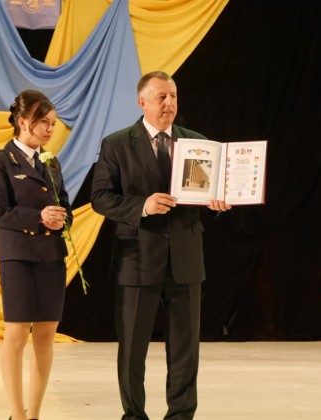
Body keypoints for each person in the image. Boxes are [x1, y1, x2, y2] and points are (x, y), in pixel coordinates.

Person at [91, 71, 231, 420]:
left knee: (185, 348)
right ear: (142, 102)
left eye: (173, 96)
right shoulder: (117, 144)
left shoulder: (197, 143)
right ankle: (133, 415)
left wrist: (217, 203)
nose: (169, 103)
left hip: (185, 258)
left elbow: (207, 193)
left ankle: (181, 414)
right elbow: (100, 197)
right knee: (132, 349)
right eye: (161, 97)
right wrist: (142, 205)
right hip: (137, 258)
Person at [0, 90, 72, 420]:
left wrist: (62, 219)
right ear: (22, 122)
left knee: (46, 336)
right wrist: (39, 217)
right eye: (43, 122)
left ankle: (34, 414)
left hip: (51, 257)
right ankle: (16, 415)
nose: (50, 129)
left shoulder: (52, 161)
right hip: (18, 257)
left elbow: (66, 207)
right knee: (17, 335)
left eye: (53, 123)